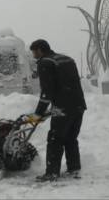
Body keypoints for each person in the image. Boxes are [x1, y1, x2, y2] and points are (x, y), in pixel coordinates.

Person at [27, 39, 87, 182]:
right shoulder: (67, 59)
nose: (33, 55)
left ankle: (52, 173)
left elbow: (47, 92)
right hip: (78, 105)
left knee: (55, 139)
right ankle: (74, 167)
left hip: (62, 108)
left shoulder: (45, 63)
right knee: (71, 138)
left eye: (34, 52)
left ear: (40, 50)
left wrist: (37, 114)